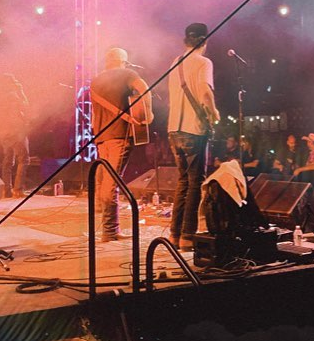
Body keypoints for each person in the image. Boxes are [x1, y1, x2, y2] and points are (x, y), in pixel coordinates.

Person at [90, 47, 153, 242]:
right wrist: (147, 113)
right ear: (123, 61)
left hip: (102, 136)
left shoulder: (96, 80)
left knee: (105, 181)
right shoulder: (128, 73)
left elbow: (93, 114)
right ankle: (109, 231)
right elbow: (145, 89)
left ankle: (108, 228)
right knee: (112, 183)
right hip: (119, 134)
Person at [167, 22, 220, 251]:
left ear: (185, 41)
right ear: (204, 42)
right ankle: (188, 236)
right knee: (195, 183)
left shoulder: (175, 62)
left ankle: (174, 234)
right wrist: (214, 113)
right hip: (192, 130)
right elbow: (206, 92)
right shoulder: (203, 62)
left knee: (182, 182)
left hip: (173, 130)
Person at [0, 74, 30, 198]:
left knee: (8, 160)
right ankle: (18, 189)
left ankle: (6, 190)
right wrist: (21, 91)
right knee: (24, 159)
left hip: (4, 130)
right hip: (16, 130)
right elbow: (25, 106)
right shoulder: (14, 95)